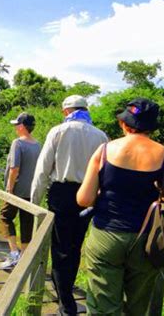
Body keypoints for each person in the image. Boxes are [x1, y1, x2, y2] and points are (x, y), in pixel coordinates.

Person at [77, 98, 164, 315]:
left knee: (103, 306)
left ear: (124, 124)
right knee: (138, 307)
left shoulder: (104, 151)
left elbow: (83, 199)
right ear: (152, 127)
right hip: (148, 240)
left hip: (107, 235)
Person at [31, 95, 108, 315]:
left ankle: (66, 305)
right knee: (75, 246)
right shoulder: (101, 135)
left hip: (62, 194)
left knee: (60, 248)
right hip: (89, 195)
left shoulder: (58, 131)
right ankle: (68, 300)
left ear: (66, 111)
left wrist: (34, 203)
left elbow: (43, 169)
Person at [0, 113, 41, 269]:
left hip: (17, 190)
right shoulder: (38, 145)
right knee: (26, 222)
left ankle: (14, 253)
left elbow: (14, 168)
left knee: (5, 217)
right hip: (31, 191)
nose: (15, 127)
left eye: (17, 125)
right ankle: (23, 256)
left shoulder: (17, 143)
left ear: (22, 126)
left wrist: (9, 189)